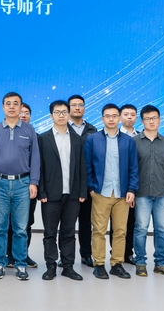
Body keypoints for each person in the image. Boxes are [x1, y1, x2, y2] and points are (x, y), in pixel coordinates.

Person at [0, 92, 40, 281]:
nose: (12, 107)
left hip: (23, 184)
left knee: (21, 228)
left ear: (21, 107)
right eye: (8, 103)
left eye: (16, 103)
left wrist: (34, 182)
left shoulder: (29, 130)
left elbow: (35, 158)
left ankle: (20, 264)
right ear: (3, 107)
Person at [85, 103, 138, 280]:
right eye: (107, 116)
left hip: (122, 193)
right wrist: (91, 188)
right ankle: (99, 264)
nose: (111, 119)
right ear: (102, 119)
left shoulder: (128, 141)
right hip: (101, 192)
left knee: (120, 231)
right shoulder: (93, 139)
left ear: (119, 118)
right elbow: (87, 166)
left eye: (115, 116)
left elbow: (133, 168)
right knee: (99, 230)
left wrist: (132, 189)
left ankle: (117, 264)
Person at [38, 100, 86, 281]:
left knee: (68, 232)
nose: (61, 115)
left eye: (64, 112)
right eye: (57, 112)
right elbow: (39, 168)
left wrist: (82, 192)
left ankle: (68, 266)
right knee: (50, 233)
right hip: (50, 195)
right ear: (51, 115)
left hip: (72, 194)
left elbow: (82, 167)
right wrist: (42, 192)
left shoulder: (77, 139)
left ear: (69, 114)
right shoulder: (43, 139)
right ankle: (50, 266)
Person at [132, 105, 164, 277]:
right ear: (142, 121)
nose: (151, 121)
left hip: (162, 193)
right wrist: (131, 191)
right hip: (141, 193)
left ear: (160, 119)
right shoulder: (134, 141)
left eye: (154, 118)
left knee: (161, 229)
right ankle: (140, 262)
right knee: (141, 229)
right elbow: (131, 169)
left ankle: (161, 263)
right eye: (147, 118)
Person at [5, 101, 37, 268]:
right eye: (21, 112)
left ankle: (23, 254)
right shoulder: (5, 133)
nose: (23, 115)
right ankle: (9, 254)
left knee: (26, 223)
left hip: (28, 185)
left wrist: (35, 183)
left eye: (26, 113)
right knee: (8, 222)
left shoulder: (34, 135)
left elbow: (38, 163)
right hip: (8, 185)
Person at [67, 94, 98, 267]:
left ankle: (86, 254)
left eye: (80, 105)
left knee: (86, 222)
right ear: (68, 108)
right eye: (74, 105)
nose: (77, 108)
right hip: (67, 183)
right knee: (67, 223)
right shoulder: (62, 128)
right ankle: (65, 256)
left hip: (87, 183)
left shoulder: (93, 130)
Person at [115, 103, 138, 265]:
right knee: (115, 224)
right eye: (126, 114)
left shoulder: (140, 136)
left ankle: (128, 252)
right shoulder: (112, 136)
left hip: (132, 188)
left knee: (130, 222)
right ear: (119, 117)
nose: (129, 117)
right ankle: (115, 252)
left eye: (132, 114)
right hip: (114, 187)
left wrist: (133, 188)